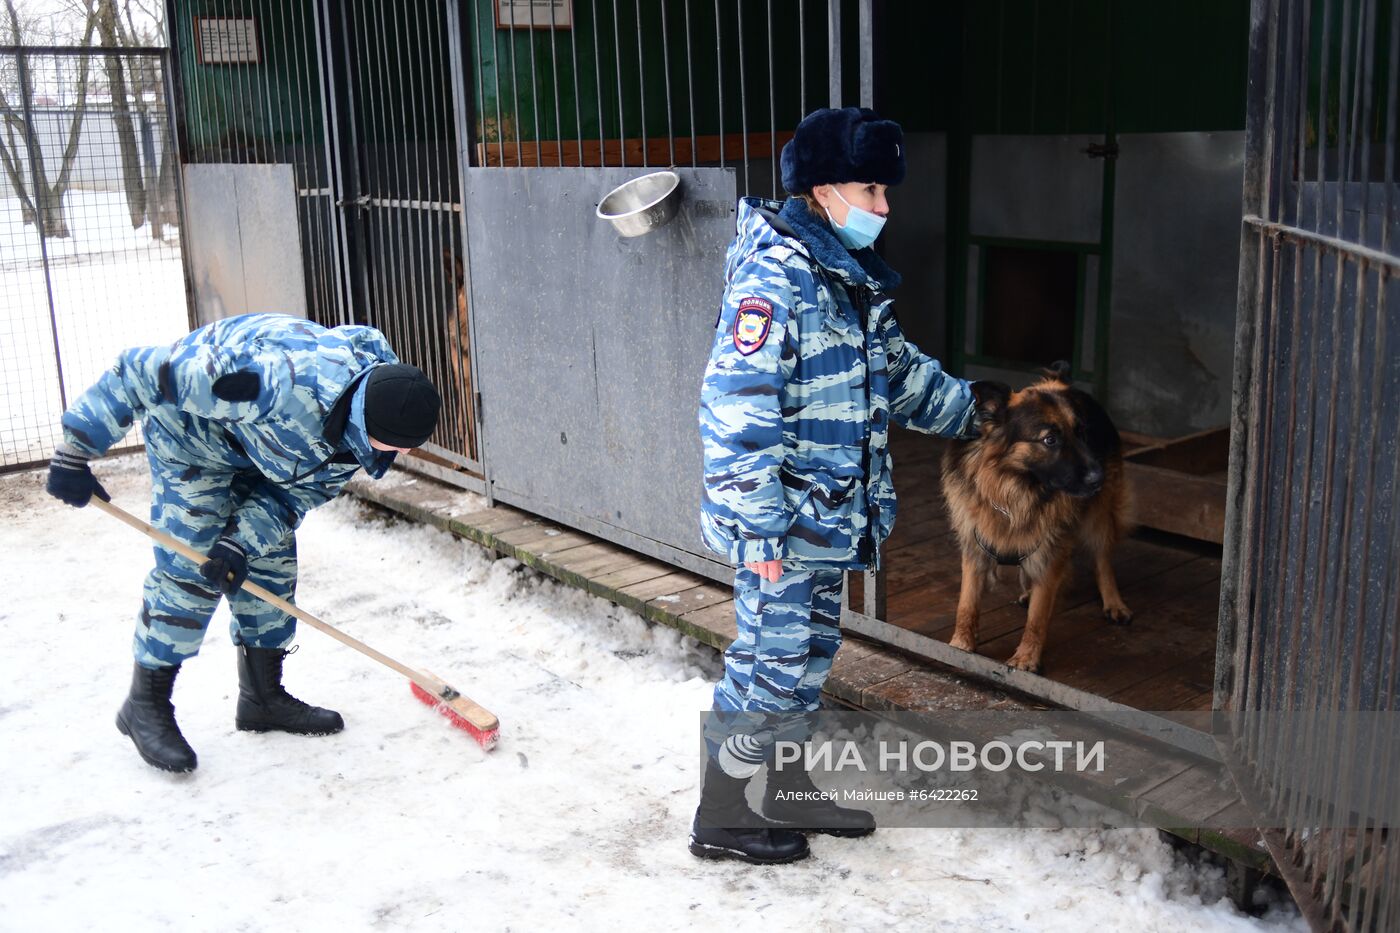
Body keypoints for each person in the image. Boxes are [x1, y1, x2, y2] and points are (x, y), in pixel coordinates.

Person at [693, 108, 979, 863]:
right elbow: (734, 409)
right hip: (779, 528)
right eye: (871, 189)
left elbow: (901, 371)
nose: (883, 208)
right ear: (823, 190)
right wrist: (758, 527)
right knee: (767, 659)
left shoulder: (846, 279)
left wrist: (983, 415)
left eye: (887, 192)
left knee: (809, 655)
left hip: (824, 522)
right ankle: (722, 812)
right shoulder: (774, 277)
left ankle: (786, 788)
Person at [46, 313, 441, 774]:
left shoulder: (368, 426)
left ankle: (262, 698)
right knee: (190, 569)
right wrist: (75, 451)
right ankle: (144, 705)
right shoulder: (270, 382)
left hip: (264, 450)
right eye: (397, 445)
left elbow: (294, 493)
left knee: (269, 565)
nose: (404, 454)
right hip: (190, 438)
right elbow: (138, 371)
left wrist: (240, 544)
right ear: (363, 419)